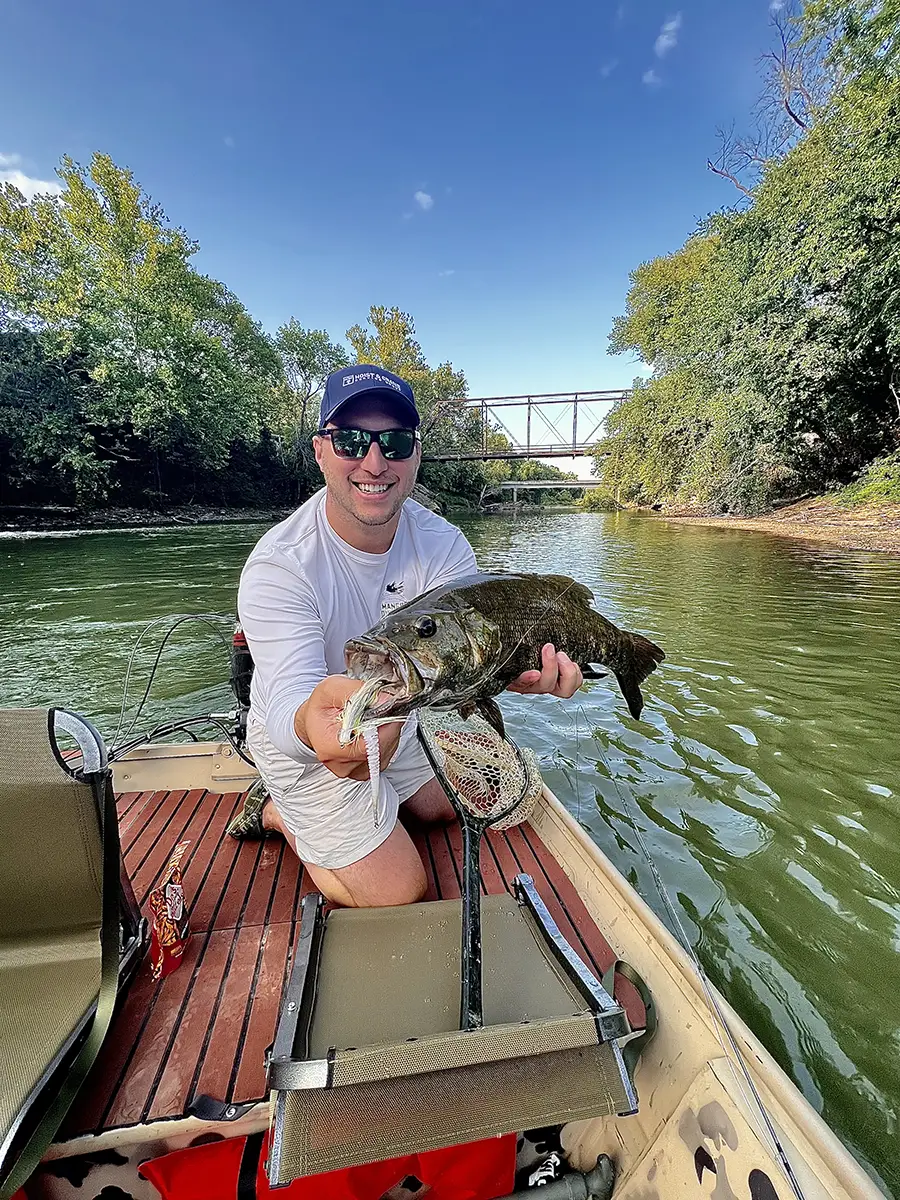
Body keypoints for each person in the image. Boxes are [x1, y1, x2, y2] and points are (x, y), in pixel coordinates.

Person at [233, 364, 582, 908]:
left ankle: (375, 800)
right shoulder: (280, 567)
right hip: (307, 745)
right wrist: (310, 728)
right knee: (400, 890)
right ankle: (281, 810)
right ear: (321, 450)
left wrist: (507, 673)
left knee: (450, 805)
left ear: (415, 455)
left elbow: (466, 656)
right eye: (351, 441)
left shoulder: (443, 546)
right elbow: (284, 707)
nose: (375, 463)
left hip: (399, 715)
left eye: (394, 443)